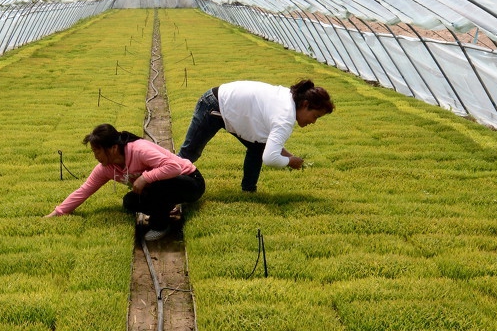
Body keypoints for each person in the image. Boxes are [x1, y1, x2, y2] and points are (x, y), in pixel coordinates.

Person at [46, 124, 205, 241]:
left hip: (191, 182)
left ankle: (160, 225)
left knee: (155, 183)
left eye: (98, 151)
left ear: (113, 148)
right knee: (130, 202)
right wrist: (58, 212)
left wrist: (144, 178)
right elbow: (84, 190)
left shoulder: (139, 150)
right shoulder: (106, 168)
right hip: (168, 188)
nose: (96, 156)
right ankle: (166, 207)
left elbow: (174, 168)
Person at [178, 79, 334, 192]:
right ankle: (166, 191)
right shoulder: (285, 118)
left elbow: (269, 145)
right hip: (214, 105)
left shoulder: (289, 100)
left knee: (257, 146)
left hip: (231, 108)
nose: (313, 122)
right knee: (187, 155)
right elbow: (270, 158)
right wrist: (290, 162)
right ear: (305, 105)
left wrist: (287, 155)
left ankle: (248, 191)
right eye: (315, 116)